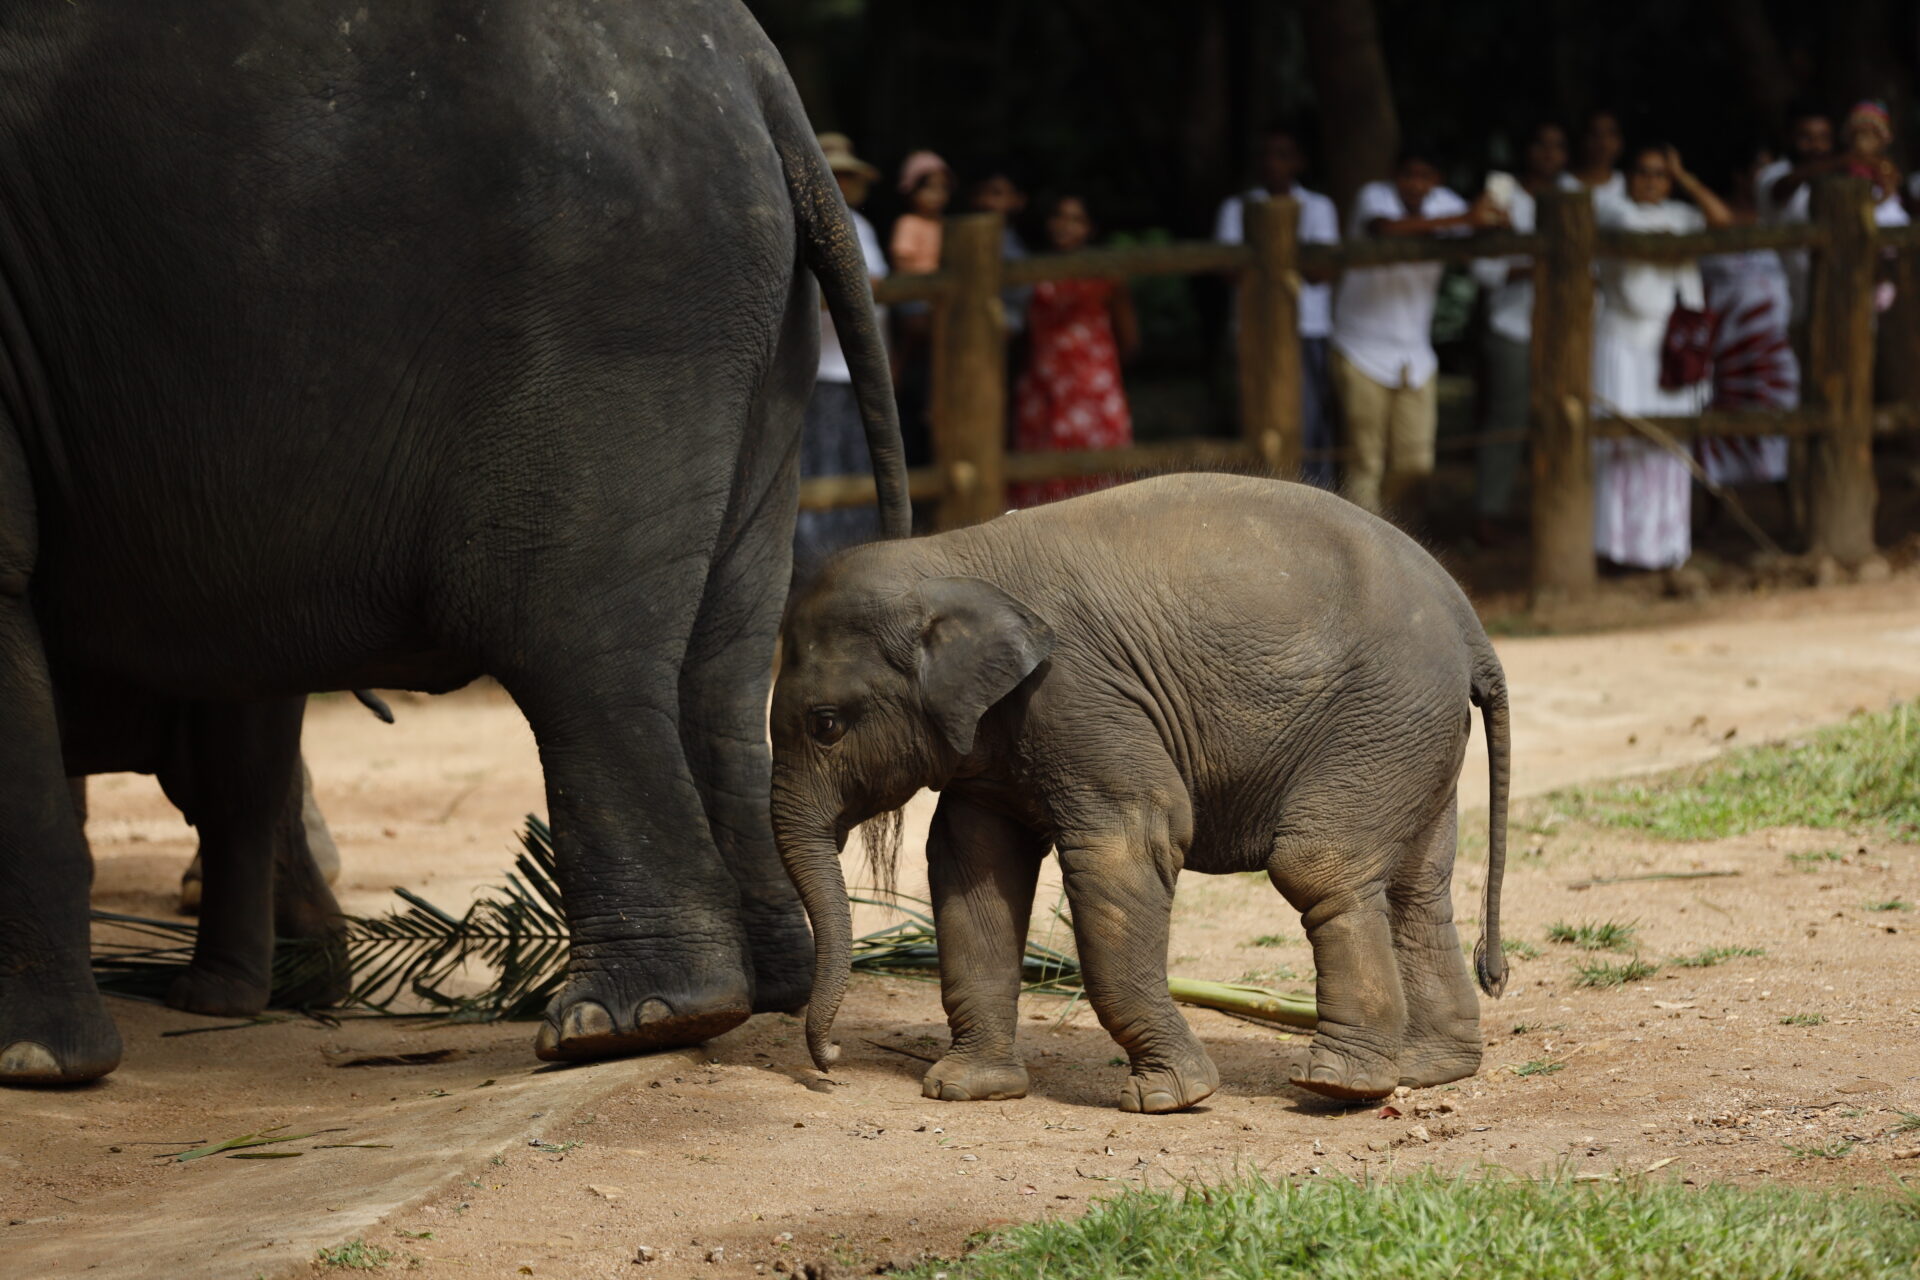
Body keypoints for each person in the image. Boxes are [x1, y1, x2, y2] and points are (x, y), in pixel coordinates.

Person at [1330, 147, 1502, 516]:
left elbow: (1483, 235)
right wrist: (1465, 219)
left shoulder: (1447, 205)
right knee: (1364, 462)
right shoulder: (1374, 197)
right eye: (1409, 175)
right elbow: (1385, 229)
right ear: (1396, 176)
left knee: (1416, 465)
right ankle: (1366, 555)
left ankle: (1397, 546)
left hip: (1415, 355)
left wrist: (1492, 218)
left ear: (1437, 181)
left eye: (1425, 176)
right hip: (1359, 347)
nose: (1415, 184)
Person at [1591, 144, 1733, 577]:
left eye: (1661, 174)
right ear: (1629, 176)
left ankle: (1666, 548)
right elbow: (1649, 243)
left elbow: (1723, 222)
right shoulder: (1611, 210)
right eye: (1644, 172)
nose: (1652, 181)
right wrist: (1680, 244)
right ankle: (1615, 549)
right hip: (1624, 343)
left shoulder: (1682, 212)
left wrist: (1686, 177)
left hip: (1674, 346)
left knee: (1670, 446)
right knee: (1622, 442)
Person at [1469, 121, 1581, 543]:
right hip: (1511, 325)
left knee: (1565, 417)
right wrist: (1542, 265)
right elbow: (1485, 270)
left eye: (1558, 145)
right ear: (1527, 150)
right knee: (1507, 419)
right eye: (1541, 144)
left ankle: (1558, 512)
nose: (1549, 154)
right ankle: (1490, 512)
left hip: (1566, 332)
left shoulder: (1575, 191)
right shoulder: (1501, 193)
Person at [1214, 127, 1342, 487]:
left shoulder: (1318, 206)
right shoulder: (1236, 207)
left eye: (1283, 154)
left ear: (1300, 161)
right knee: (1260, 423)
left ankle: (1319, 502)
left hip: (1307, 329)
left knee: (1308, 422)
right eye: (1266, 154)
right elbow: (1229, 272)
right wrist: (1285, 259)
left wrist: (1268, 259)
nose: (1273, 163)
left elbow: (1322, 271)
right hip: (1253, 331)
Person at [791, 133, 890, 588]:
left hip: (858, 371)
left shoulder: (860, 226)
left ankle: (855, 564)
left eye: (847, 175)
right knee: (821, 468)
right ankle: (816, 569)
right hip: (820, 369)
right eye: (835, 173)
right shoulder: (801, 224)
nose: (841, 182)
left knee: (857, 466)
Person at [1010, 194, 1138, 507]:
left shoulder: (1106, 275)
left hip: (1093, 391)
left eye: (1076, 219)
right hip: (1043, 390)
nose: (1065, 226)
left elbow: (1130, 336)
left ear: (1090, 228)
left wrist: (1101, 377)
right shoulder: (1031, 273)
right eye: (1059, 216)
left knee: (1100, 481)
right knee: (1044, 482)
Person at [1697, 147, 1797, 489]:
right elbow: (1724, 221)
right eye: (1760, 170)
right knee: (1718, 418)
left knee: (1780, 418)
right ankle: (1716, 511)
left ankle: (1789, 509)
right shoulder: (1707, 216)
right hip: (1725, 346)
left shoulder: (1781, 214)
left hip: (1773, 345)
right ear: (1739, 176)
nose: (1768, 178)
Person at [889, 150, 954, 471]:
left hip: (939, 304)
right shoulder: (908, 223)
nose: (936, 195)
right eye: (929, 187)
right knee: (917, 340)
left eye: (942, 188)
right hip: (916, 299)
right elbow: (903, 264)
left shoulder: (947, 226)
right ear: (912, 191)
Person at [1572, 109, 1626, 205]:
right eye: (1595, 134)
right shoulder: (1562, 183)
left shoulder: (1628, 185)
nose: (1603, 143)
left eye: (1610, 134)